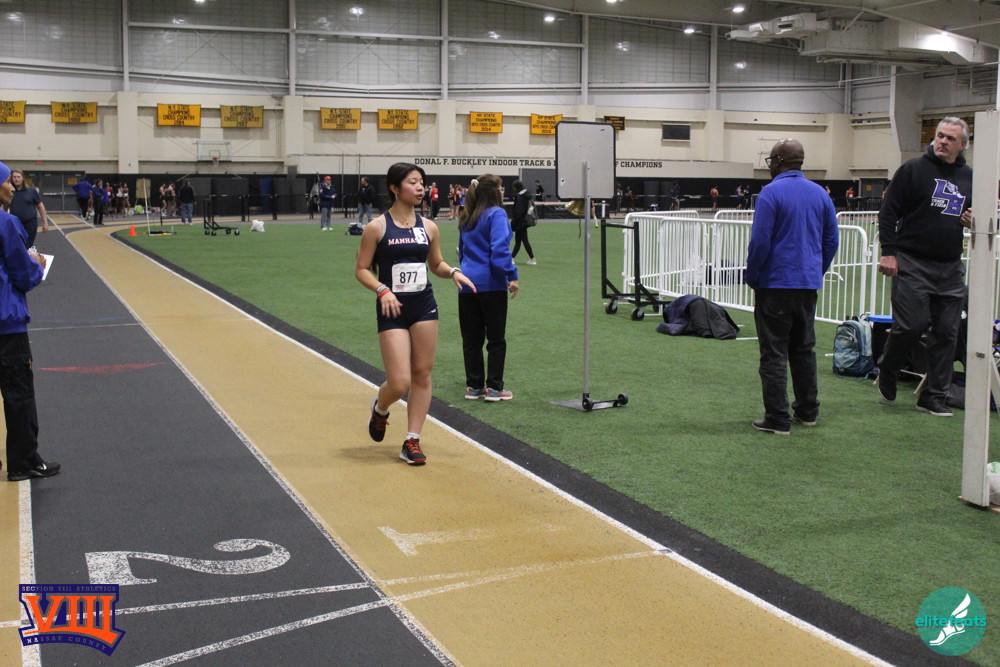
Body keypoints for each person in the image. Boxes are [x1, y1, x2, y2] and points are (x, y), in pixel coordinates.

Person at [354, 162, 475, 465]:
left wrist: (453, 272)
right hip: (392, 308)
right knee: (399, 382)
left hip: (423, 305)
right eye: (413, 182)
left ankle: (412, 440)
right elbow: (362, 269)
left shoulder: (429, 227)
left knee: (422, 374)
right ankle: (381, 409)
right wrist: (382, 290)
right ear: (395, 188)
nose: (420, 187)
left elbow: (436, 264)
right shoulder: (377, 227)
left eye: (422, 182)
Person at [875, 117, 973, 417]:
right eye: (940, 136)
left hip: (950, 266)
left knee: (947, 333)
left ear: (962, 145)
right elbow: (888, 212)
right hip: (912, 261)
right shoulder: (913, 170)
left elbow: (975, 214)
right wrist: (889, 253)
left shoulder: (970, 176)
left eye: (950, 138)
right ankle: (888, 367)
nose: (942, 141)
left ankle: (933, 397)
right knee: (911, 325)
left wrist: (972, 219)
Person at [745, 139, 839, 434]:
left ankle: (777, 418)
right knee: (804, 349)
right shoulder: (820, 194)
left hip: (775, 283)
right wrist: (815, 270)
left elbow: (760, 241)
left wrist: (753, 275)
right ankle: (808, 411)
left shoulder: (770, 193)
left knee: (774, 352)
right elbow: (831, 240)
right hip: (806, 284)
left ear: (777, 161)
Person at [0, 161, 59, 481]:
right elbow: (23, 274)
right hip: (6, 324)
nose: (11, 187)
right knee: (19, 394)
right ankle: (23, 461)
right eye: (7, 181)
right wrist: (36, 264)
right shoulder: (6, 224)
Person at [457, 175, 520, 403]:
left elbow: (462, 251)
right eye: (501, 188)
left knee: (471, 339)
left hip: (466, 283)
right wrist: (511, 275)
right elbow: (499, 250)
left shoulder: (467, 216)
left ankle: (474, 386)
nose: (503, 191)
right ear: (494, 192)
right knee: (495, 339)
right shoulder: (497, 214)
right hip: (491, 284)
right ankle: (494, 388)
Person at [9, 170, 48, 247]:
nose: (16, 179)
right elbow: (5, 206)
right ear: (12, 179)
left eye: (18, 177)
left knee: (27, 246)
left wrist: (45, 223)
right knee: (16, 245)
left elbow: (40, 207)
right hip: (15, 224)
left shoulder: (31, 191)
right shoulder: (9, 191)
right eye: (14, 177)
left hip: (30, 223)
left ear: (23, 178)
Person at [509, 180, 536, 265]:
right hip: (524, 221)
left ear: (516, 188)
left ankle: (513, 258)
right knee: (521, 240)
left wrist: (513, 223)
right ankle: (531, 258)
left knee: (521, 241)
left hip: (520, 222)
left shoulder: (520, 197)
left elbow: (518, 211)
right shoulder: (527, 196)